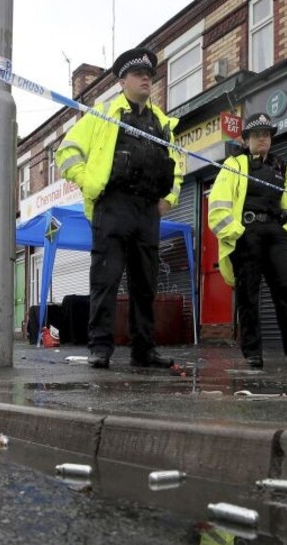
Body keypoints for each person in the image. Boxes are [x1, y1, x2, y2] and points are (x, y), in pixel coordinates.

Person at [56, 47, 184, 369]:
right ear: (123, 81)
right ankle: (100, 348)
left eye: (149, 75)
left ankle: (144, 350)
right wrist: (87, 181)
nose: (146, 79)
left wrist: (169, 198)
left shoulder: (162, 123)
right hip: (113, 205)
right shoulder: (103, 114)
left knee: (145, 285)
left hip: (147, 210)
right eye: (138, 74)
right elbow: (66, 151)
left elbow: (177, 164)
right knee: (106, 280)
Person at [208, 113, 287, 368]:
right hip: (246, 233)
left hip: (275, 235)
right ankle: (253, 353)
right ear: (246, 139)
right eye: (256, 134)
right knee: (248, 295)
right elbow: (217, 206)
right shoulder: (234, 164)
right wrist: (237, 233)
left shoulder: (280, 167)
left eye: (266, 134)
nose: (262, 138)